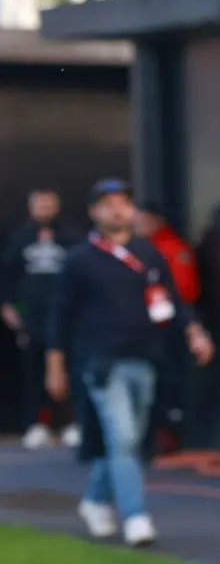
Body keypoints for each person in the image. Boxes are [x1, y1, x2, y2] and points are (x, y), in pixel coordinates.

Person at [45, 178, 215, 547]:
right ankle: (136, 516)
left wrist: (195, 333)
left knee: (129, 440)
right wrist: (55, 365)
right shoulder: (79, 260)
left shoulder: (150, 254)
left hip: (146, 357)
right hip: (101, 361)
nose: (117, 209)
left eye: (123, 202)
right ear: (93, 212)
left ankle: (94, 500)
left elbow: (173, 300)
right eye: (108, 204)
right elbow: (60, 317)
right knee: (122, 438)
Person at [1, 188, 84, 449]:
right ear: (31, 207)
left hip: (67, 316)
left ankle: (73, 423)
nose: (44, 209)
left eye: (49, 204)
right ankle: (38, 423)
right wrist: (7, 307)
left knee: (70, 370)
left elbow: (84, 275)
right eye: (39, 204)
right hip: (32, 316)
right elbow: (7, 275)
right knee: (34, 370)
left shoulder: (72, 237)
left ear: (57, 206)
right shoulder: (19, 239)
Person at [135, 201, 202, 453]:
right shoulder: (131, 249)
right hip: (137, 329)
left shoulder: (173, 248)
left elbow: (186, 291)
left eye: (145, 220)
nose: (140, 226)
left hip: (168, 327)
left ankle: (167, 434)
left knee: (168, 381)